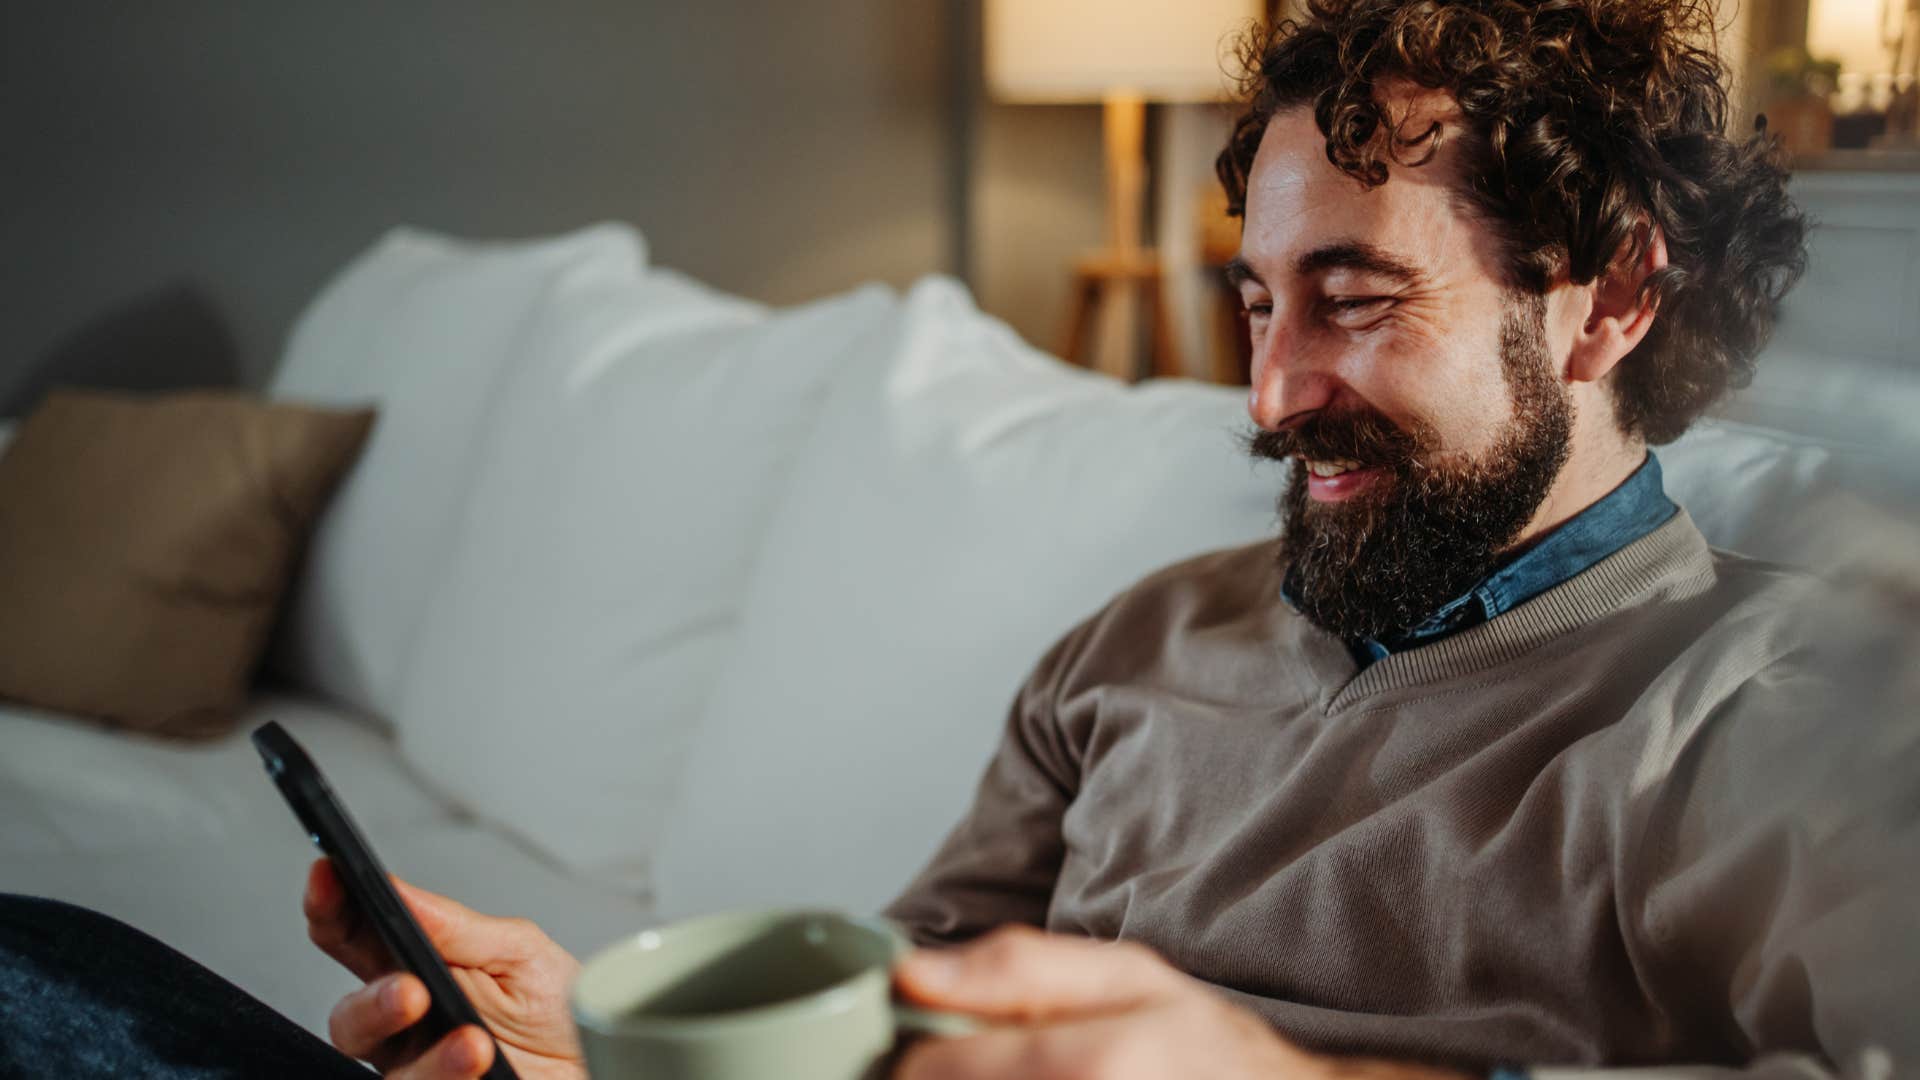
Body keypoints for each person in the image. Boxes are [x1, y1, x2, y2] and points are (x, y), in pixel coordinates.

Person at [3, 0, 1914, 1077]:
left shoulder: (1776, 704)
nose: (1267, 395)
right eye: (1256, 306)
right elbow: (884, 1031)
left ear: (1611, 299)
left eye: (1356, 299)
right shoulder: (1140, 641)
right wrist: (591, 1047)